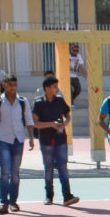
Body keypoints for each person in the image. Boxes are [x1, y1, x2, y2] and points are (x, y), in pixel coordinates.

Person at [0, 73, 35, 214]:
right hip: (3, 139)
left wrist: (31, 138)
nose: (12, 88)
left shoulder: (22, 101)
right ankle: (3, 202)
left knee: (15, 172)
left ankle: (13, 201)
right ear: (4, 85)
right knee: (5, 172)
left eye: (14, 85)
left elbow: (29, 120)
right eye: (9, 85)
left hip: (18, 139)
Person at [33, 75, 79, 206]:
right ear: (46, 88)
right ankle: (49, 195)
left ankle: (67, 195)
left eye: (57, 86)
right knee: (48, 168)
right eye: (54, 86)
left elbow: (67, 115)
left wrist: (65, 124)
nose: (56, 89)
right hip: (46, 140)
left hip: (60, 139)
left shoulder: (59, 100)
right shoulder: (38, 103)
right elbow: (35, 123)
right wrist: (51, 124)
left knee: (63, 167)